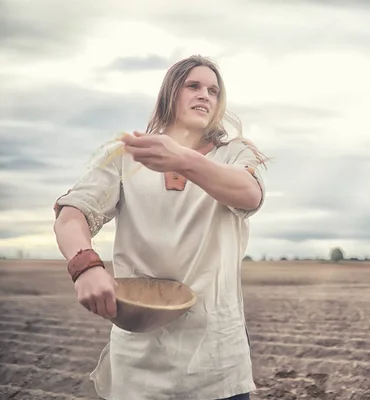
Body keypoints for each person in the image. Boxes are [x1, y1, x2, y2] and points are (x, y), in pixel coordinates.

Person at [52, 55, 268, 400]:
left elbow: (249, 195)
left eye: (213, 90)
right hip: (137, 365)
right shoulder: (126, 155)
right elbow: (72, 213)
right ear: (170, 93)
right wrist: (85, 266)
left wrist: (183, 159)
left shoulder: (235, 155)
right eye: (193, 86)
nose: (205, 96)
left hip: (217, 362)